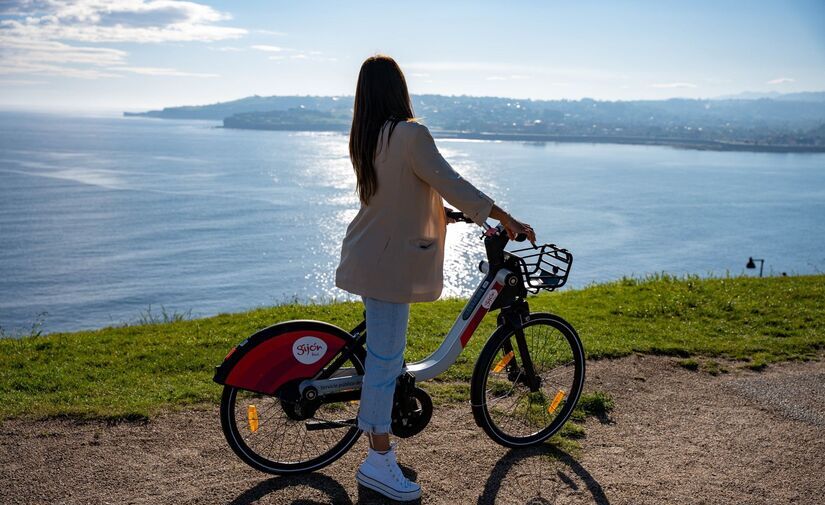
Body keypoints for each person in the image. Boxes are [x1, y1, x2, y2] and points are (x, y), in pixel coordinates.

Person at [335, 55, 536, 502]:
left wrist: (441, 214)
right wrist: (507, 218)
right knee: (385, 363)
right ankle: (376, 463)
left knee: (385, 357)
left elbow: (396, 196)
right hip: (387, 265)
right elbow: (453, 181)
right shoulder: (410, 134)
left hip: (368, 253)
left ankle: (379, 448)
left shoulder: (367, 136)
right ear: (398, 89)